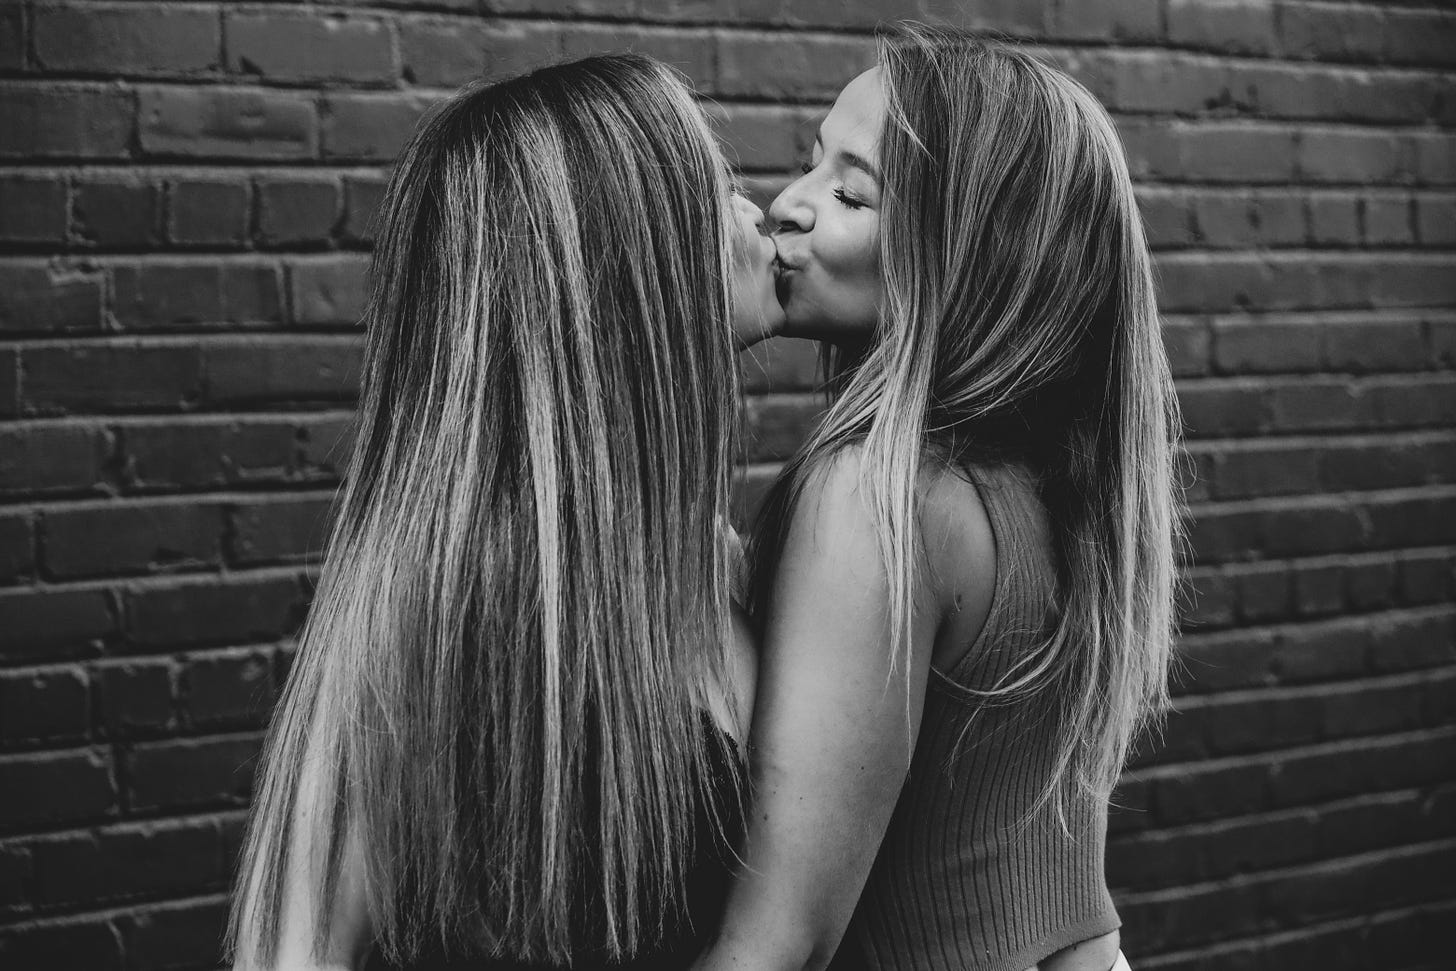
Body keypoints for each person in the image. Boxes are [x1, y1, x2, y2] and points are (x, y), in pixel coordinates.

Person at [226, 53, 782, 971]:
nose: (759, 211)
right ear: (634, 258)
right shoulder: (429, 615)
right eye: (718, 189)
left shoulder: (717, 564)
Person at [692, 24, 1181, 971]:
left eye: (850, 192)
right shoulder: (1058, 494)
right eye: (808, 164)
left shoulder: (877, 498)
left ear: (969, 251)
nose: (786, 206)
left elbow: (776, 941)